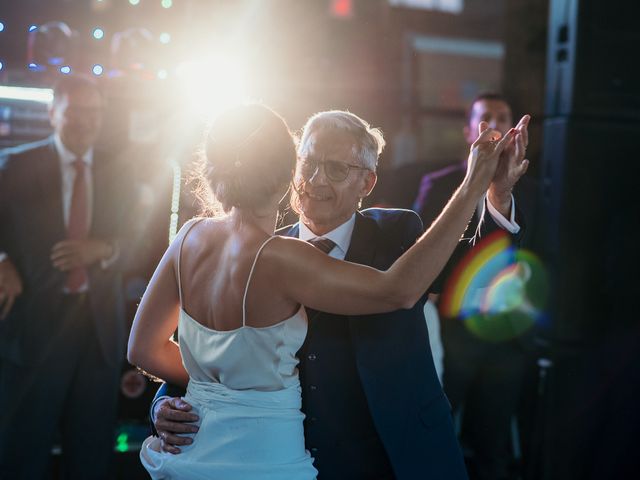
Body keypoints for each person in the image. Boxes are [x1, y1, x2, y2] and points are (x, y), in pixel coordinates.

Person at [131, 105, 529, 479]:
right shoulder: (274, 250)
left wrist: (495, 197)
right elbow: (215, 356)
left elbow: (471, 270)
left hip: (397, 453)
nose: (316, 179)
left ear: (367, 182)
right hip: (294, 457)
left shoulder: (397, 231)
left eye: (336, 169)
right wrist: (166, 403)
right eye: (308, 163)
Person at [0, 75, 133, 479]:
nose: (85, 121)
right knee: (24, 451)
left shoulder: (120, 168)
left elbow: (143, 242)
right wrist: (2, 259)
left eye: (93, 112)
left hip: (98, 333)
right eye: (75, 111)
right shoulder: (16, 163)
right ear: (53, 113)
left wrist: (105, 249)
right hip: (33, 328)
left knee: (91, 455)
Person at [413, 92, 532, 480]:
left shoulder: (533, 186)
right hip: (452, 332)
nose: (497, 125)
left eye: (504, 116)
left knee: (494, 446)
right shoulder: (439, 184)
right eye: (487, 118)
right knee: (435, 436)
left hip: (505, 338)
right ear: (469, 131)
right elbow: (424, 249)